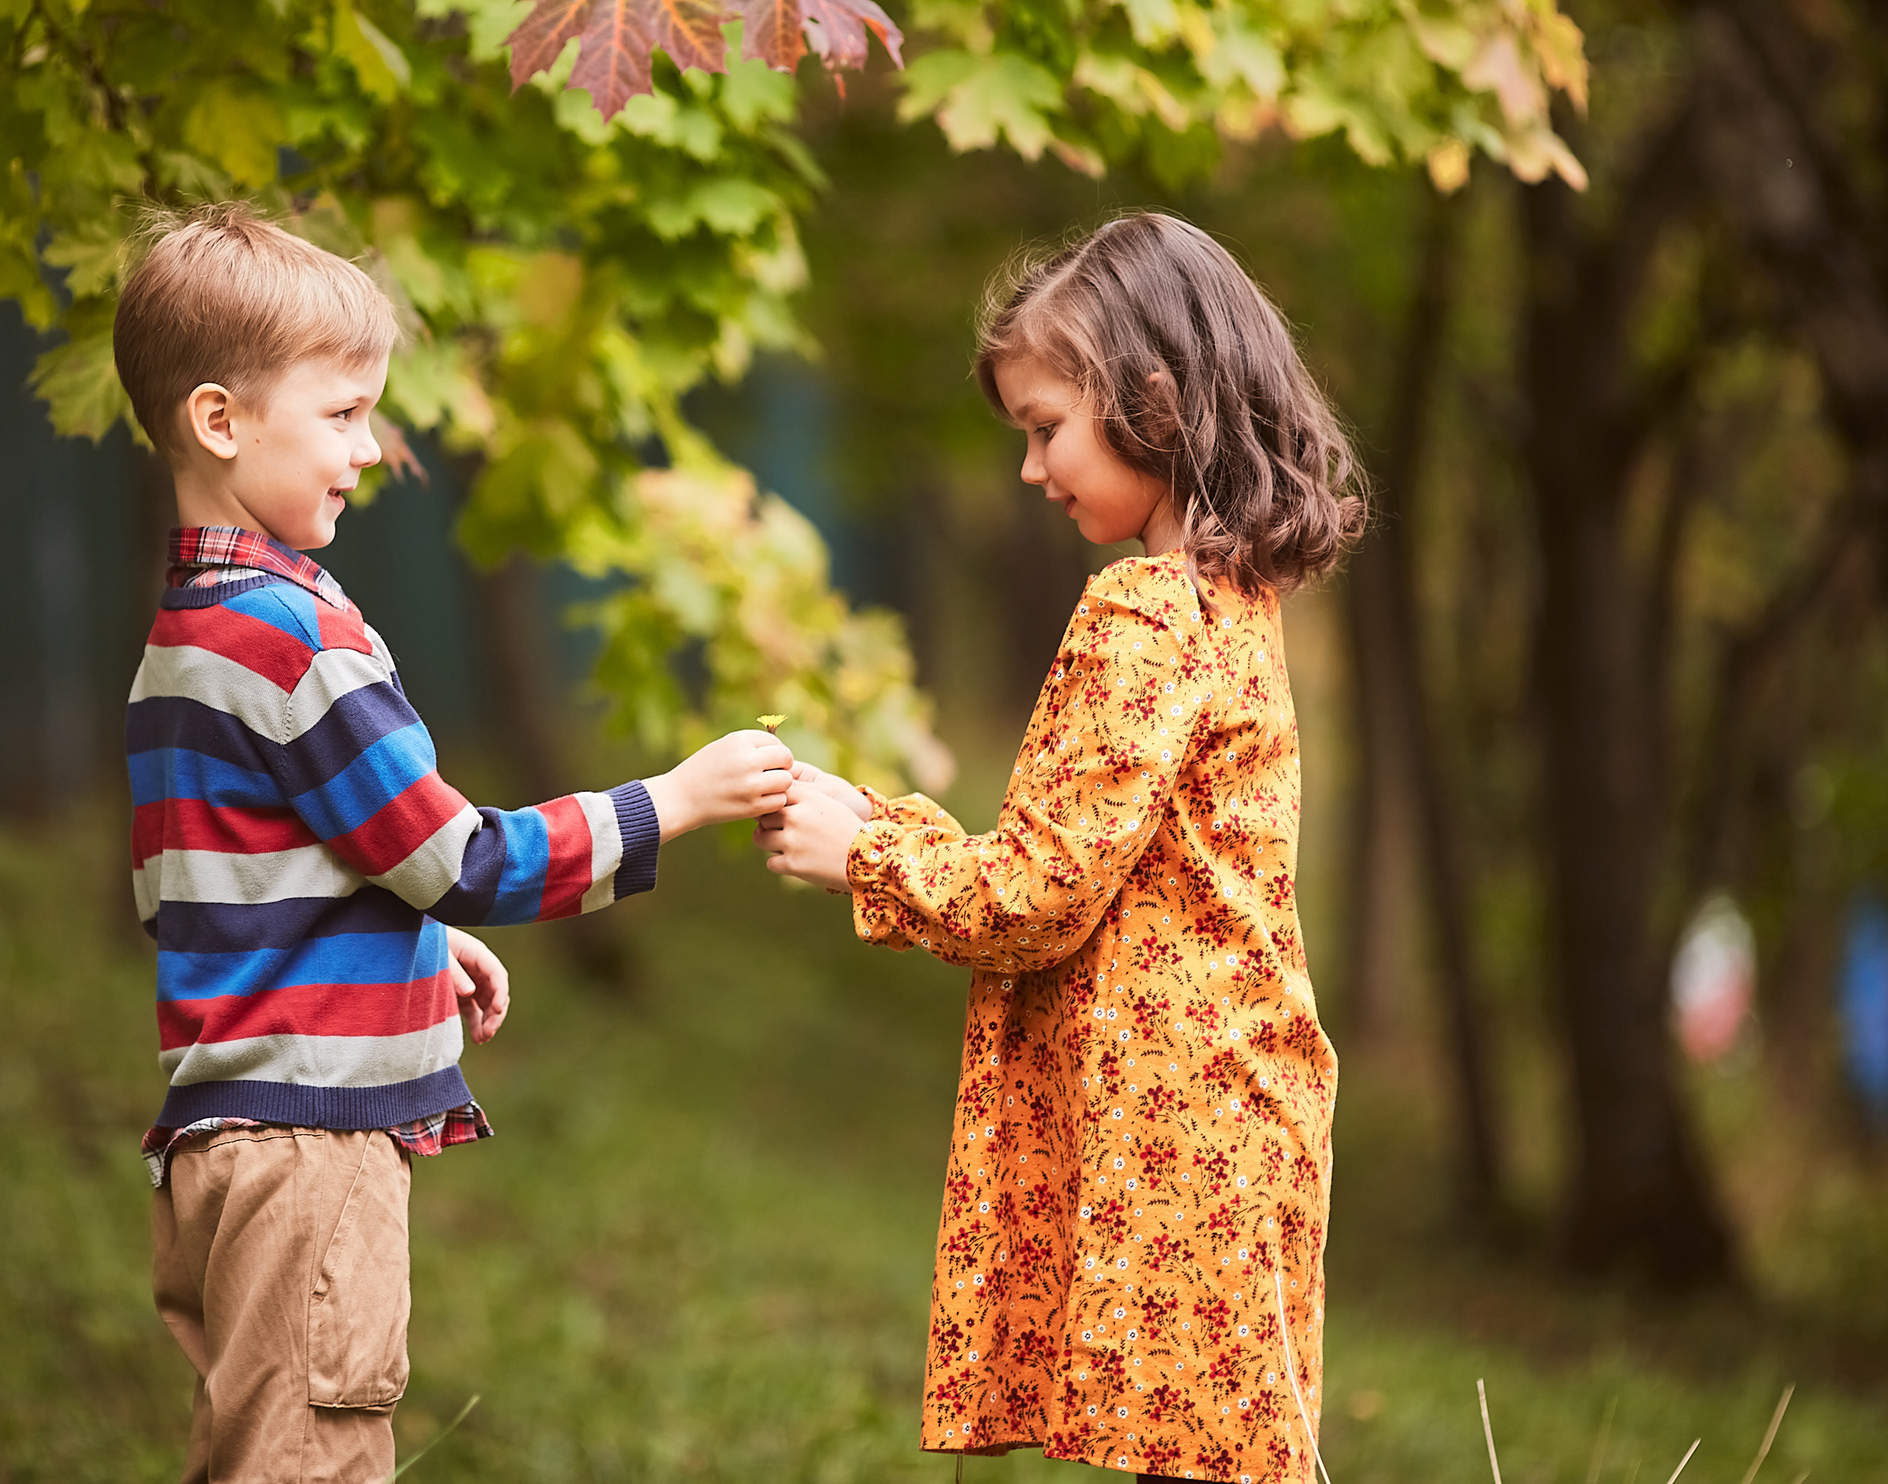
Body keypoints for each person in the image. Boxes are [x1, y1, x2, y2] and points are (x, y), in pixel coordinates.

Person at [118, 202, 795, 1483]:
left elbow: (231, 888)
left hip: (224, 1149)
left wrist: (417, 951)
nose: (369, 451)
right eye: (340, 415)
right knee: (308, 1459)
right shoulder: (289, 640)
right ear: (220, 421)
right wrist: (677, 801)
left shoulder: (187, 638)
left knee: (260, 1446)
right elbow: (459, 858)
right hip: (309, 1159)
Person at [758, 212, 1363, 1484]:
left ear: (1152, 399)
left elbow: (1037, 894)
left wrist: (863, 849)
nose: (1032, 469)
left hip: (1177, 1127)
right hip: (1242, 1109)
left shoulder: (1144, 612)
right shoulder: (1231, 603)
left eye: (1046, 428)